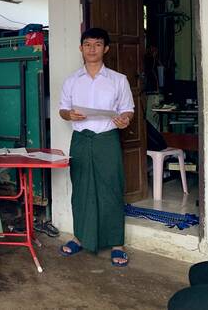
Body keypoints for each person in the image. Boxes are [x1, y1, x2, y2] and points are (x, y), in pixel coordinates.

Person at [58, 27, 135, 266]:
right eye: (88, 44)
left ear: (106, 49)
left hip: (106, 140)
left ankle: (116, 244)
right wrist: (69, 115)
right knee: (81, 189)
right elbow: (62, 109)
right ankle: (80, 238)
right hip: (81, 140)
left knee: (110, 189)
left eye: (98, 44)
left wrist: (125, 120)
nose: (92, 49)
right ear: (81, 48)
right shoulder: (71, 80)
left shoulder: (118, 80)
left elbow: (128, 109)